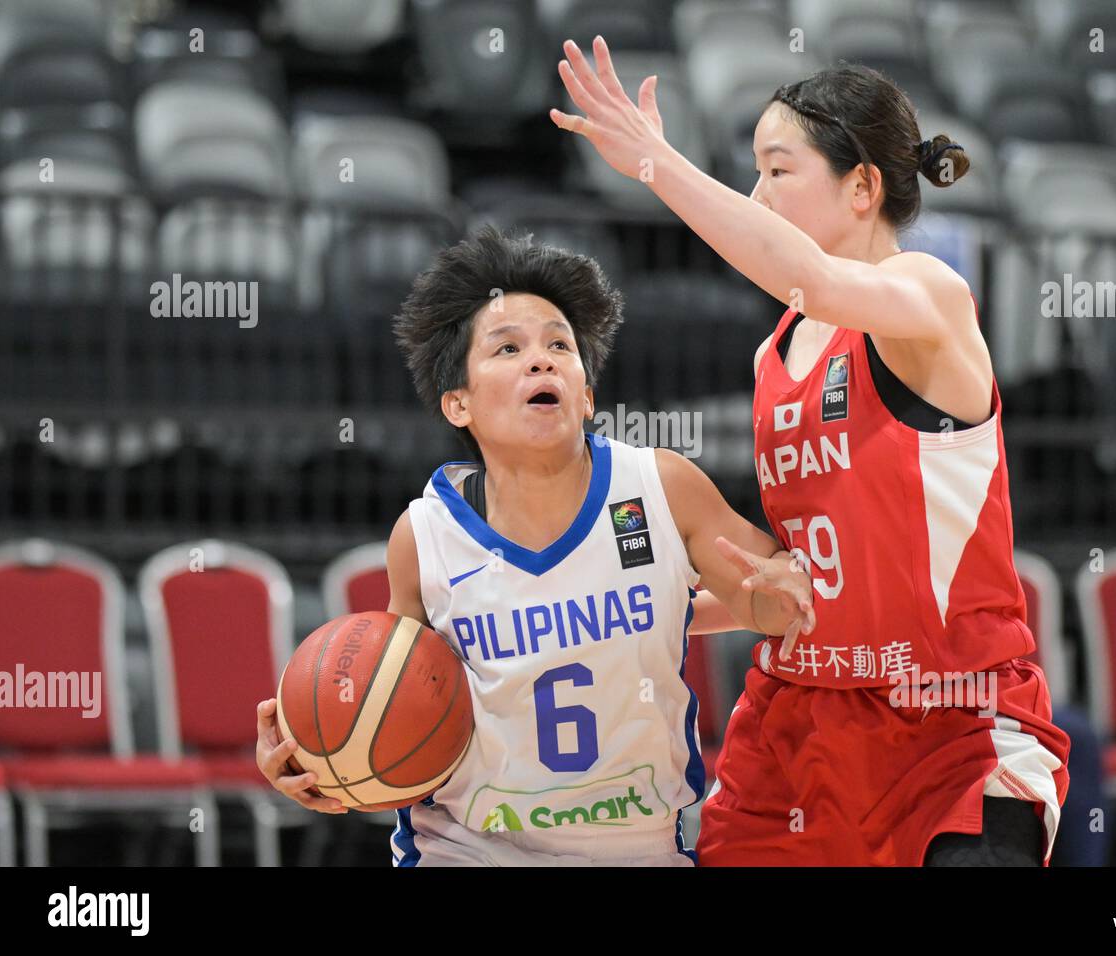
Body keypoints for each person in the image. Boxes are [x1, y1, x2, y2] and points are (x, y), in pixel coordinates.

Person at [552, 36, 1070, 865]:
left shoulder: (928, 297)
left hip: (948, 723)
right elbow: (798, 574)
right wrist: (633, 613)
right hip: (802, 723)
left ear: (862, 185)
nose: (756, 195)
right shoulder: (776, 356)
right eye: (752, 172)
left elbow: (815, 281)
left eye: (777, 171)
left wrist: (656, 163)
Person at [254, 224, 814, 866]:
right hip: (468, 849)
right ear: (458, 404)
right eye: (507, 348)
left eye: (559, 345)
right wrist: (325, 764)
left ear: (585, 394)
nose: (541, 359)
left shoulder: (660, 487)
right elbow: (392, 700)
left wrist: (784, 585)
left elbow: (770, 606)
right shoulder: (426, 535)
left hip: (633, 850)